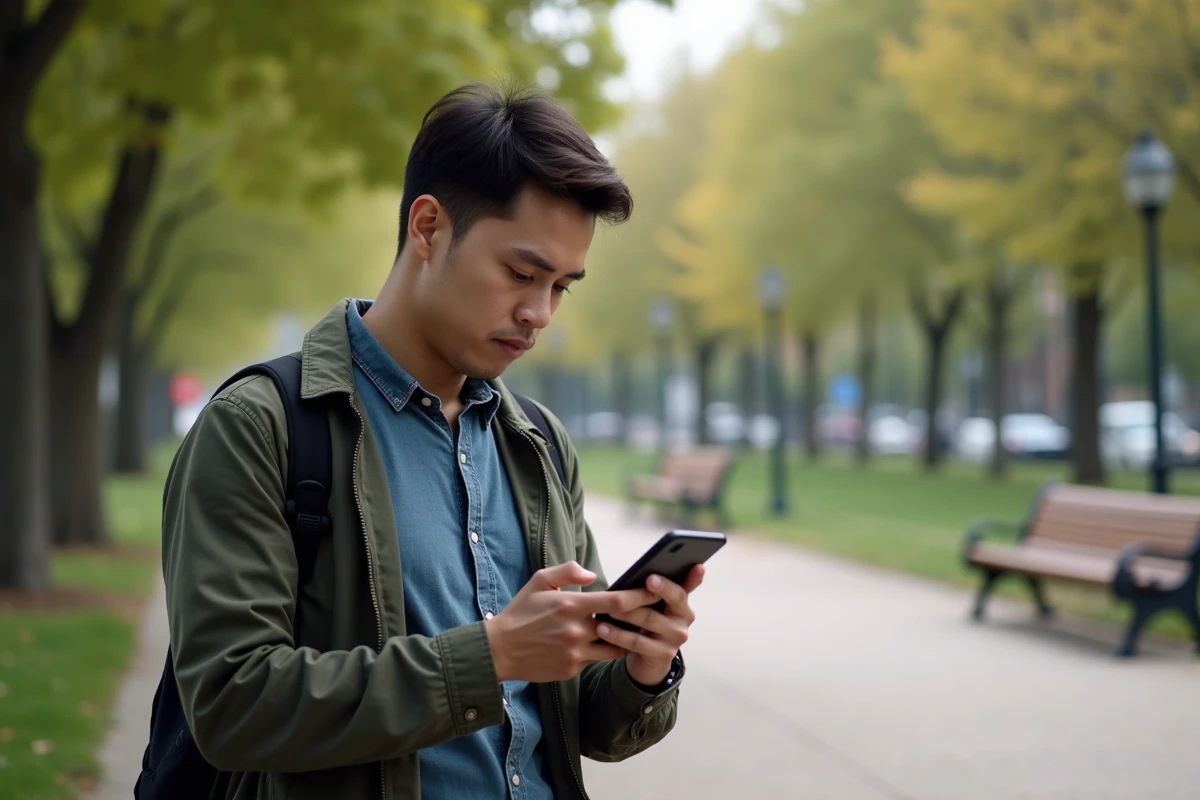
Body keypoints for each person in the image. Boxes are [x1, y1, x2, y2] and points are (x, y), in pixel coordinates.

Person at [161, 82, 705, 799]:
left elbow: (584, 723)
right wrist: (495, 654)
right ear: (427, 228)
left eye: (562, 286)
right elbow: (232, 706)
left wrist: (643, 664)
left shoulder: (537, 442)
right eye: (520, 272)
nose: (538, 312)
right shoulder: (261, 426)